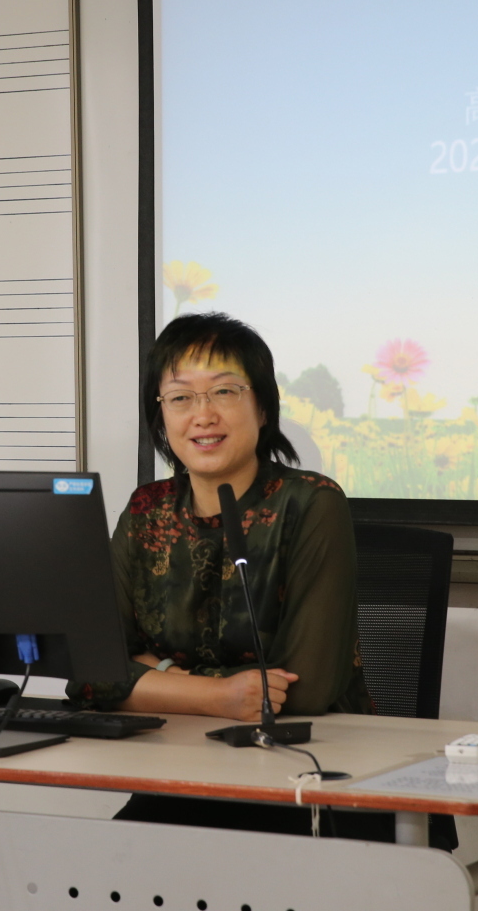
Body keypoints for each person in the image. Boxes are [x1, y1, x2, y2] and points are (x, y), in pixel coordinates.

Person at [71, 312, 397, 839]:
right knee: (108, 861)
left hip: (312, 779)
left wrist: (157, 677)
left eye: (224, 391)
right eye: (180, 397)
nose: (203, 415)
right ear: (161, 415)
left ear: (262, 407)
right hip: (181, 769)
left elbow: (304, 690)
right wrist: (218, 696)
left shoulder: (311, 504)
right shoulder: (147, 509)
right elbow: (91, 673)